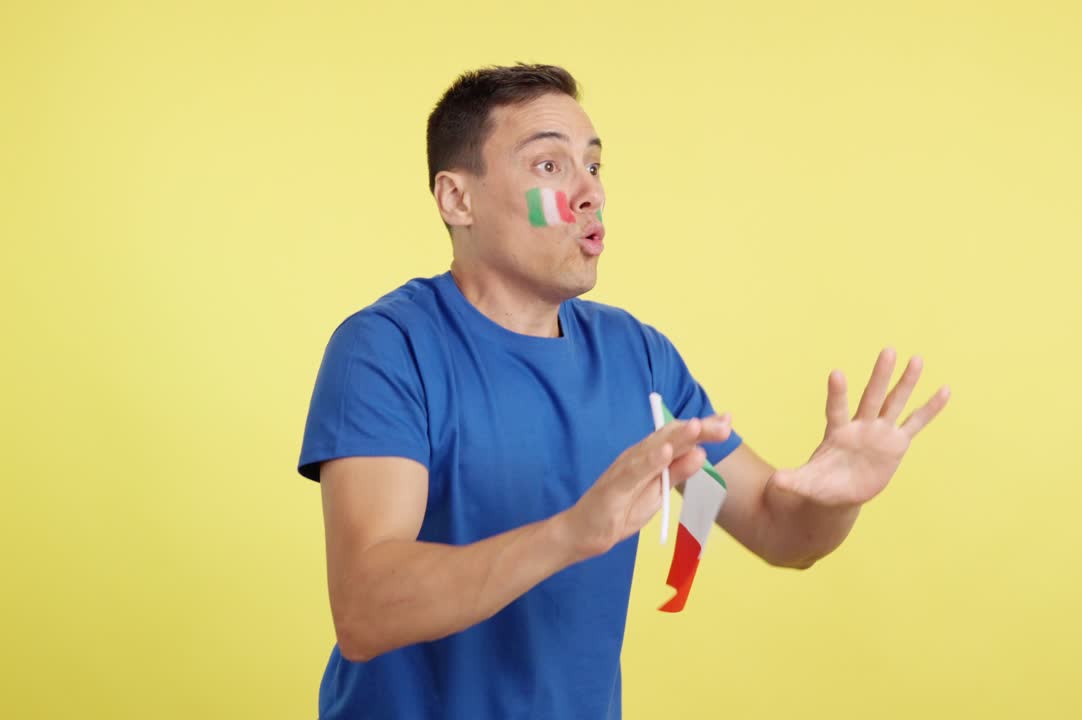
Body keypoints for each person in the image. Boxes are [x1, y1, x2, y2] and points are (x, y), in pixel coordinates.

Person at [297, 63, 950, 720]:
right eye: (549, 167)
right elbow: (365, 608)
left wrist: (833, 501)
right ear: (456, 199)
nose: (590, 194)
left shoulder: (638, 358)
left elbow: (780, 531)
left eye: (594, 166)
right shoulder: (386, 349)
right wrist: (571, 533)